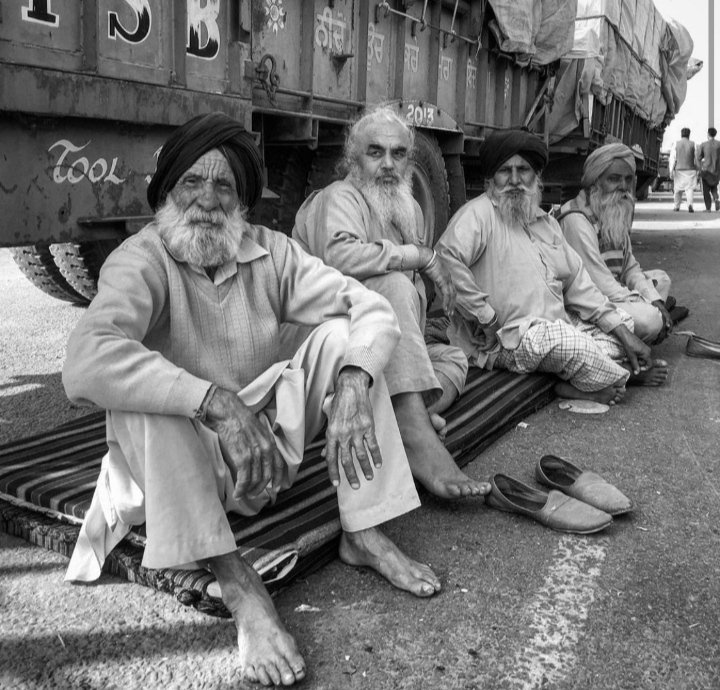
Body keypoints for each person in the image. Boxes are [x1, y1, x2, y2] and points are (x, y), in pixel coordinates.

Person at [62, 112, 443, 688]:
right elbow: (86, 360)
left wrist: (355, 382)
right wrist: (212, 400)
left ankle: (364, 529)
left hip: (263, 456)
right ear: (167, 192)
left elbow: (369, 308)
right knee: (143, 393)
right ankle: (239, 584)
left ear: (243, 199)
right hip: (179, 473)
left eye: (224, 185)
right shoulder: (141, 259)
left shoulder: (271, 252)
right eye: (192, 182)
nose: (207, 200)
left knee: (348, 342)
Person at [292, 105, 488, 500]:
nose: (387, 164)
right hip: (329, 345)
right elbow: (340, 259)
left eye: (398, 154)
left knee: (453, 361)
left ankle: (401, 414)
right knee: (395, 285)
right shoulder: (340, 197)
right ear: (352, 159)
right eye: (375, 152)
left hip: (381, 349)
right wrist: (419, 256)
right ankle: (415, 433)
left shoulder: (408, 207)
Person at [435, 129, 667, 407]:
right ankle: (623, 375)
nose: (515, 180)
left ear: (536, 177)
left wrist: (623, 333)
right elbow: (445, 259)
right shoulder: (478, 215)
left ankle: (582, 378)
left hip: (557, 325)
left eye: (523, 170)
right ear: (490, 178)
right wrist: (484, 316)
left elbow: (580, 287)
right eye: (504, 171)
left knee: (626, 326)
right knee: (570, 344)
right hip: (505, 339)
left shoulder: (547, 223)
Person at [557, 143, 674, 345]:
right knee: (650, 320)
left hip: (614, 292)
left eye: (628, 179)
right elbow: (601, 285)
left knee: (662, 280)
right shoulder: (576, 220)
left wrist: (653, 299)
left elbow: (630, 267)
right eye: (614, 179)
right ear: (595, 181)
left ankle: (642, 324)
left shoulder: (613, 209)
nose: (623, 186)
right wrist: (648, 303)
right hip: (587, 301)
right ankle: (620, 338)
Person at [669, 127, 697, 212]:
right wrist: (697, 169)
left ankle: (676, 206)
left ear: (681, 135)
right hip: (690, 170)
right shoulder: (693, 144)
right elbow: (696, 158)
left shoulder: (676, 144)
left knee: (677, 189)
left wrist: (671, 171)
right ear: (689, 135)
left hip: (679, 170)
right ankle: (690, 205)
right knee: (689, 189)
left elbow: (672, 158)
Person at [696, 127, 720, 212]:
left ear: (708, 134)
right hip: (716, 171)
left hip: (706, 171)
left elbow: (698, 158)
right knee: (714, 187)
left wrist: (699, 169)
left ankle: (708, 208)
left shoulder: (704, 144)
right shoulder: (719, 144)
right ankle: (716, 198)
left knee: (706, 190)